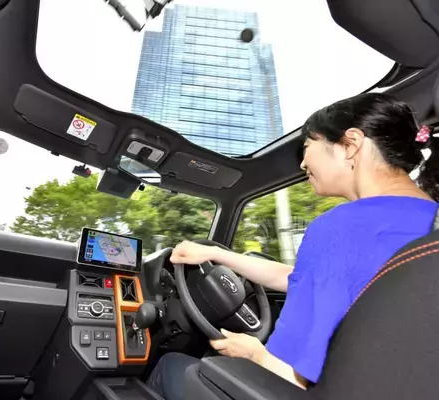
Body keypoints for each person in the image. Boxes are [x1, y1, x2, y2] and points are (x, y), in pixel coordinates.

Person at [147, 93, 439, 400]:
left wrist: (255, 355)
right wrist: (218, 254)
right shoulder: (428, 224)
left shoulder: (341, 226)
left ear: (351, 144)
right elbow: (301, 278)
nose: (302, 162)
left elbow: (297, 380)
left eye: (308, 146)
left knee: (168, 366)